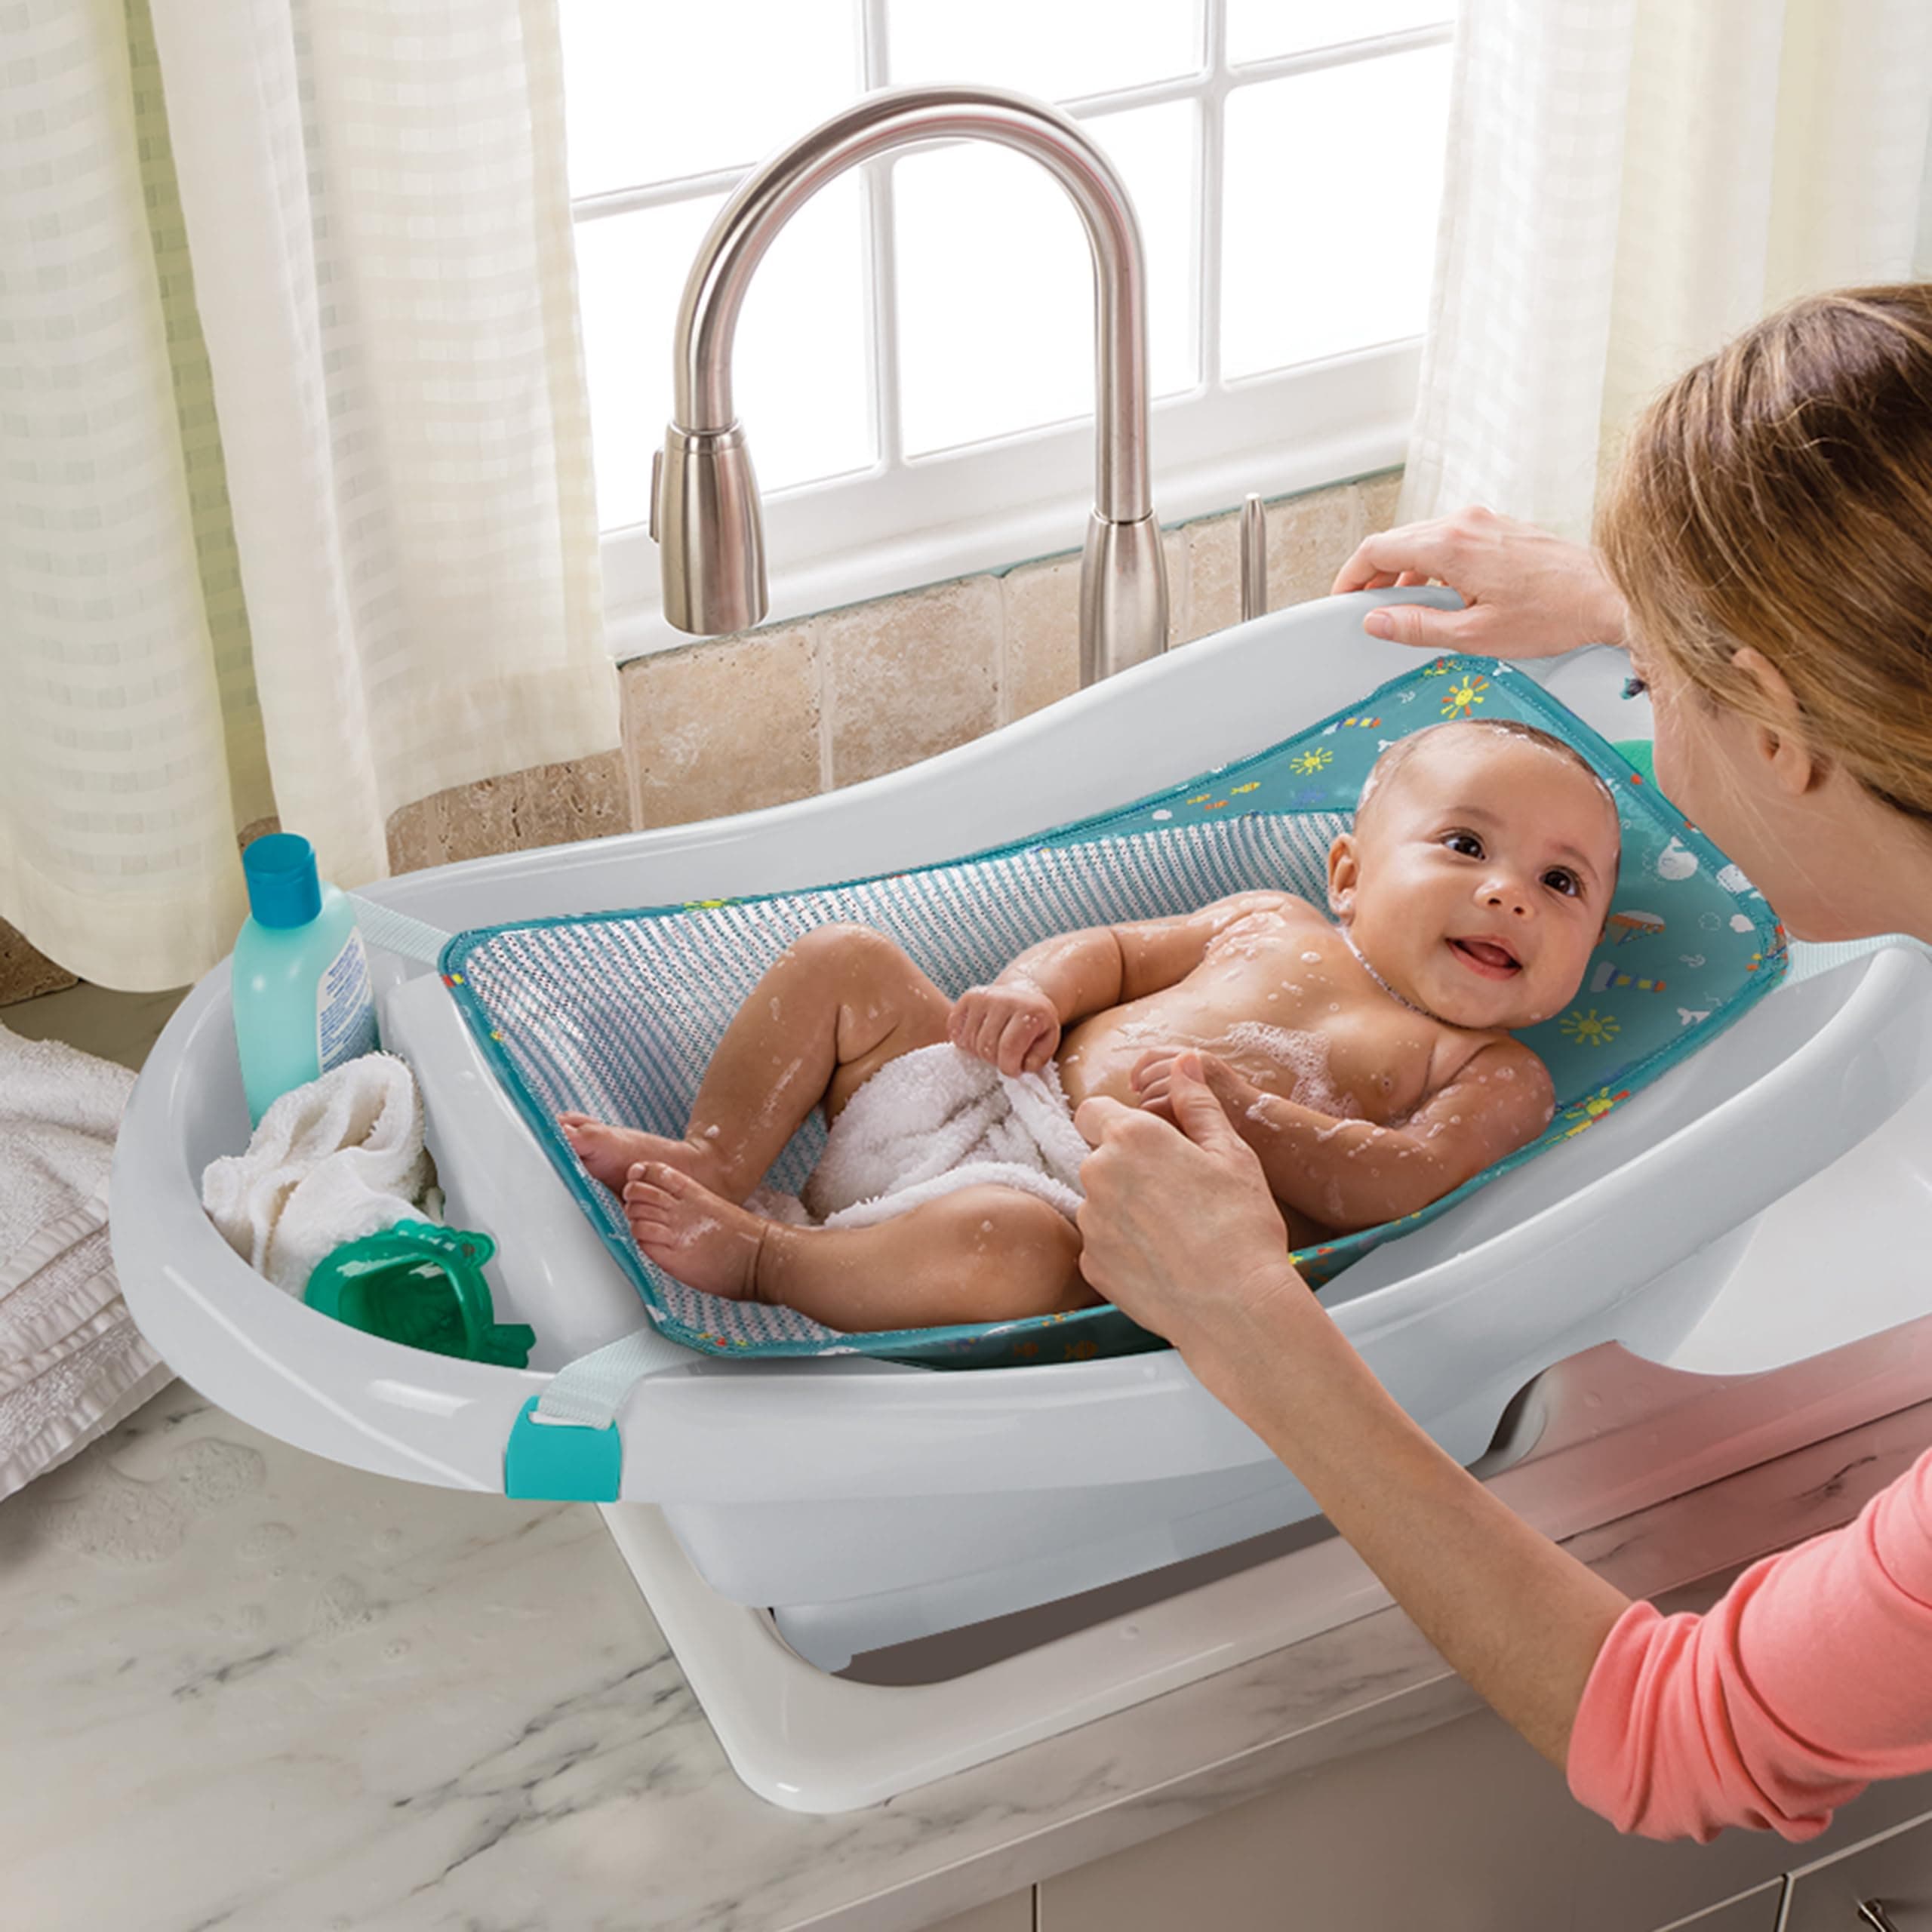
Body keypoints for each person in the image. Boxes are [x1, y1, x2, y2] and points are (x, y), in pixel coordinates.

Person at [1070, 283, 1932, 1844]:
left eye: (1663, 690)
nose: (1641, 723)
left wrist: (1247, 1322)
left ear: (1787, 728)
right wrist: (1633, 604)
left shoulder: (1492, 1085)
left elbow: (1693, 1736)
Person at [555, 716, 1620, 1332]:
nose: (1511, 895)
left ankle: (768, 1262)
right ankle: (715, 1159)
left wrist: (1249, 1115)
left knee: (1009, 1250)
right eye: (1467, 847)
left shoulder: (1491, 1067)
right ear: (1348, 875)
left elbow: (1402, 1180)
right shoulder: (1265, 920)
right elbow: (1111, 953)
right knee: (847, 962)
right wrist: (1034, 993)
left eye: (1562, 882)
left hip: (1082, 1218)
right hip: (978, 1094)